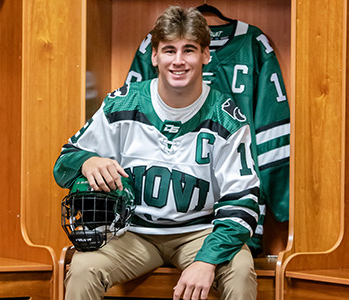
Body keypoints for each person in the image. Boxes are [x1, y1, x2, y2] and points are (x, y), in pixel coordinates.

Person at [53, 6, 259, 300]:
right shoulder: (122, 104)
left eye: (188, 50)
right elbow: (63, 162)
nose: (178, 61)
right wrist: (88, 160)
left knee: (239, 271)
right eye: (168, 50)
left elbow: (244, 202)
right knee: (84, 268)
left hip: (200, 234)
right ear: (154, 56)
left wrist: (206, 260)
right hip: (130, 232)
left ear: (205, 55)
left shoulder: (227, 117)